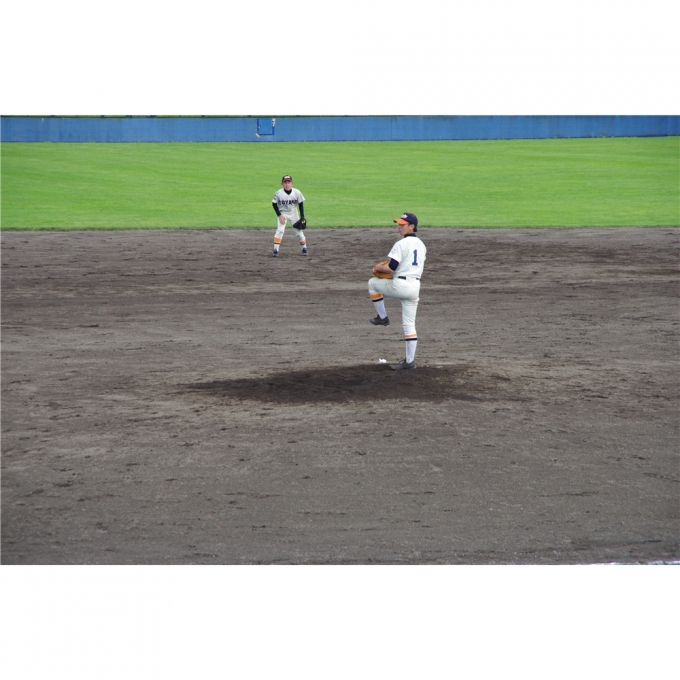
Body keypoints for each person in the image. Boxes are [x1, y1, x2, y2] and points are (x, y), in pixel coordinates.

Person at [368, 212, 426, 370]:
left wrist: (378, 267)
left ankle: (382, 317)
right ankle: (410, 362)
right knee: (409, 325)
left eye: (402, 225)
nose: (399, 227)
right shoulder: (421, 245)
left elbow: (391, 267)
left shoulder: (401, 244)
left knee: (372, 283)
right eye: (399, 224)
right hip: (415, 287)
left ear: (412, 226)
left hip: (400, 285)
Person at [271, 175, 307, 257]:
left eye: (288, 182)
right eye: (285, 183)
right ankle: (276, 250)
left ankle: (304, 248)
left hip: (293, 213)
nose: (287, 184)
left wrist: (302, 217)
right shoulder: (278, 193)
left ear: (292, 183)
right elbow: (274, 204)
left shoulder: (297, 192)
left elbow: (300, 204)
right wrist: (279, 215)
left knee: (298, 232)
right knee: (280, 230)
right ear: (282, 184)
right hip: (283, 213)